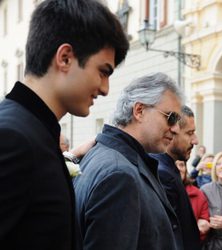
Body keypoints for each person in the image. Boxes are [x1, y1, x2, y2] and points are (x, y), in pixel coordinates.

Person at [0, 0, 129, 249]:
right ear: (65, 58)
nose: (105, 89)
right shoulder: (13, 138)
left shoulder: (33, 132)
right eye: (103, 72)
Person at [73, 72, 184, 250]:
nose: (176, 128)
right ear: (139, 111)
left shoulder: (107, 157)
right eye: (171, 118)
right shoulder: (119, 174)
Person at [151, 105, 201, 250]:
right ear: (172, 132)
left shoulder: (166, 168)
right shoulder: (163, 173)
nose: (195, 141)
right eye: (190, 133)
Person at [175, 160, 210, 243]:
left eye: (181, 165)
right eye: (174, 164)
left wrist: (204, 226)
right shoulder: (156, 190)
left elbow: (204, 221)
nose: (179, 168)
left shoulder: (197, 193)